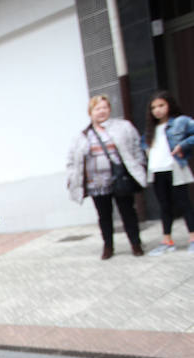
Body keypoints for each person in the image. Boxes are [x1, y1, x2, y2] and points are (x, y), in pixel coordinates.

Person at [67, 94, 146, 259]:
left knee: (128, 212)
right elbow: (72, 160)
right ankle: (108, 246)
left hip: (120, 179)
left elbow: (137, 148)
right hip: (96, 183)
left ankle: (135, 243)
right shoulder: (82, 136)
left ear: (110, 109)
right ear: (90, 112)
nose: (101, 111)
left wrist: (140, 166)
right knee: (104, 216)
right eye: (97, 108)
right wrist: (72, 178)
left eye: (104, 107)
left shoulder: (123, 127)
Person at [141, 90, 194, 255]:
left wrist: (182, 146)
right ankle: (167, 241)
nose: (157, 110)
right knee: (164, 207)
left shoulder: (181, 122)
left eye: (161, 105)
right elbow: (144, 145)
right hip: (157, 171)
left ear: (169, 104)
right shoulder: (151, 129)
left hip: (175, 168)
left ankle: (192, 238)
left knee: (185, 204)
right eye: (154, 107)